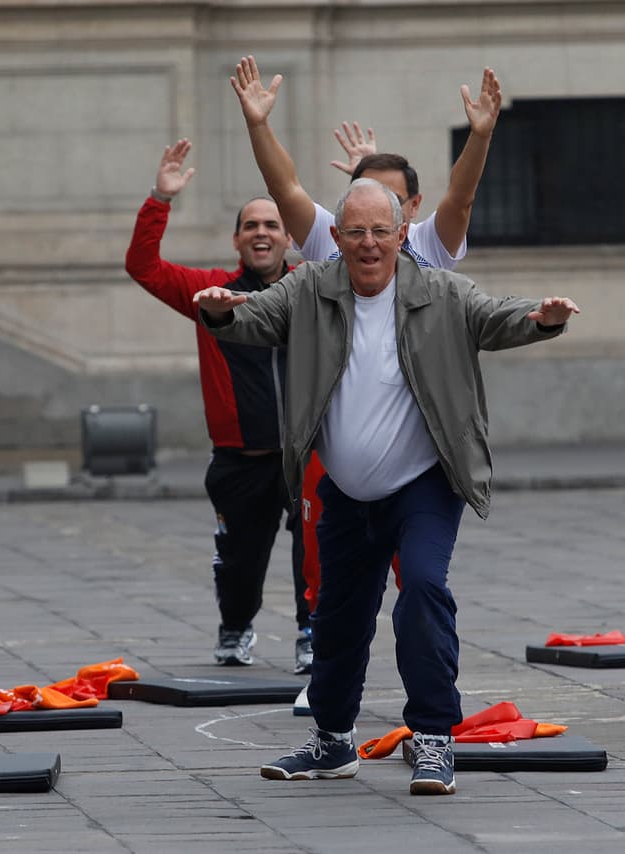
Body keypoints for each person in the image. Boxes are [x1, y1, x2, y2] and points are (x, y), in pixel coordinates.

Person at [193, 178, 578, 796]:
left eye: (380, 231)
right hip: (345, 490)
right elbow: (254, 318)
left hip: (423, 483)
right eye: (354, 232)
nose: (368, 244)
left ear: (403, 235)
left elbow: (495, 318)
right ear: (336, 238)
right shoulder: (311, 287)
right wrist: (217, 309)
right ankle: (332, 742)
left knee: (422, 590)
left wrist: (539, 320)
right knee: (337, 615)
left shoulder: (441, 291)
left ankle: (432, 740)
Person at [124, 138, 313, 672]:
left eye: (272, 225)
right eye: (251, 225)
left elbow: (376, 249)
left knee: (316, 556)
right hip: (239, 462)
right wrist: (159, 200)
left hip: (305, 456)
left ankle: (311, 633)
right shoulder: (209, 291)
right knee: (238, 563)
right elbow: (143, 267)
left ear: (290, 237)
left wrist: (369, 179)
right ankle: (235, 628)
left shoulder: (313, 286)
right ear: (236, 238)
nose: (261, 233)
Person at [230, 55, 502, 269]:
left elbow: (460, 199)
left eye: (392, 199)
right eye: (367, 193)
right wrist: (258, 125)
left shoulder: (428, 244)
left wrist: (480, 136)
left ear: (415, 204)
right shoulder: (331, 240)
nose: (369, 242)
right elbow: (284, 190)